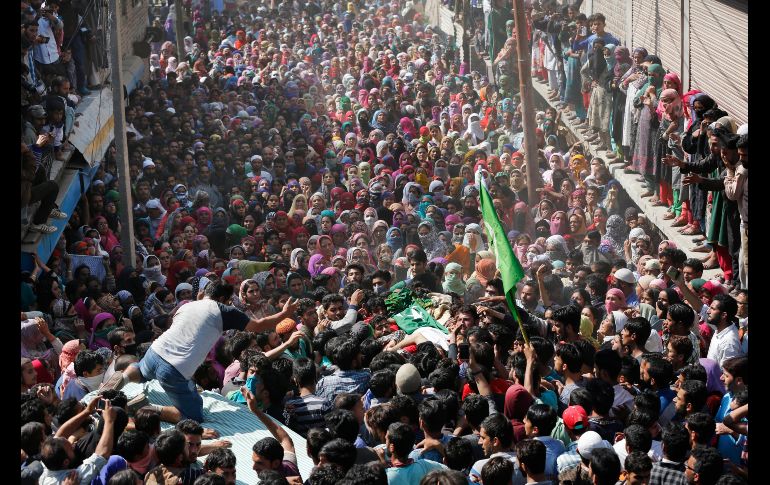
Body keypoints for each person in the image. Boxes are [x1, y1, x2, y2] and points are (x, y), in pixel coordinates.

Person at [119, 281, 299, 422]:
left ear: (204, 293)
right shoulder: (223, 310)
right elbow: (259, 326)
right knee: (194, 416)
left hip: (154, 352)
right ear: (224, 300)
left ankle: (119, 382)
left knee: (140, 370)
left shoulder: (186, 306)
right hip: (174, 369)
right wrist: (285, 313)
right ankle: (146, 408)